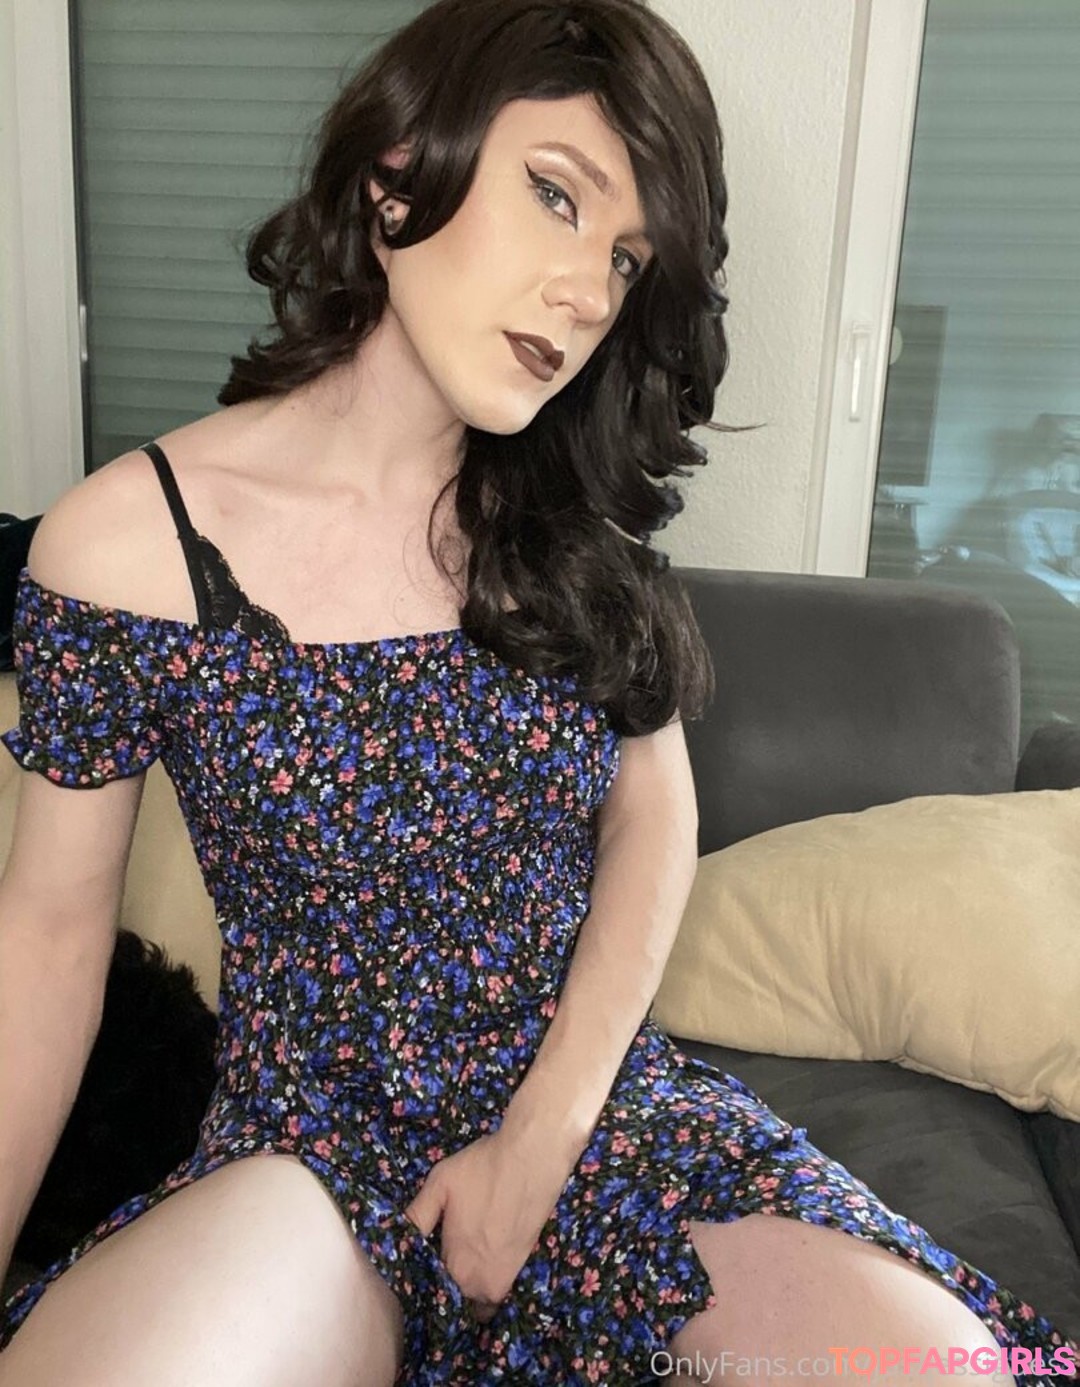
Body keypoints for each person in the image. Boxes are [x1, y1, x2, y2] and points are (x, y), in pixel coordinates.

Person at [0, 1, 1075, 1383]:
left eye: (624, 259)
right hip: (311, 1159)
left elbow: (653, 821)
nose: (585, 293)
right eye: (557, 196)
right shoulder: (123, 549)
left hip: (605, 1124)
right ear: (400, 175)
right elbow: (46, 945)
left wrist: (539, 1140)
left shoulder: (571, 536)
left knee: (941, 1368)